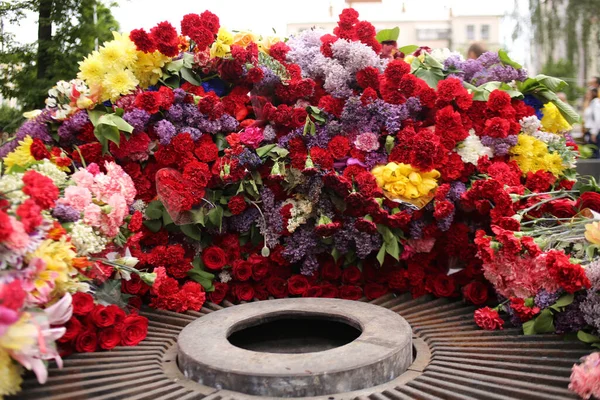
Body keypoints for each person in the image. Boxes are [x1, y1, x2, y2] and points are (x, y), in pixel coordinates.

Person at [583, 88, 600, 157]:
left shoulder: (595, 103)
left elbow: (597, 119)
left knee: (595, 153)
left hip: (594, 131)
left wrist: (594, 133)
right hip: (590, 131)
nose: (587, 95)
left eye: (589, 93)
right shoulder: (591, 103)